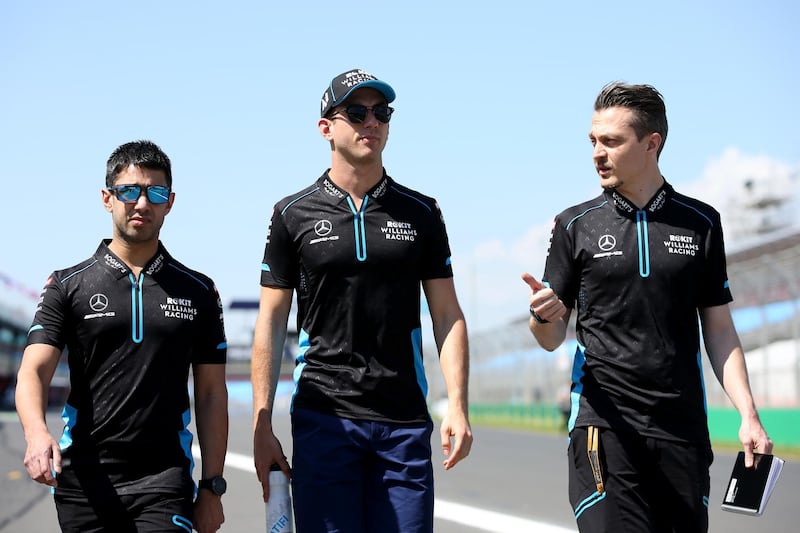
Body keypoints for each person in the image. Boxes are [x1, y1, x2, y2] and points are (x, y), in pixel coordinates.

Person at [521, 82, 773, 532]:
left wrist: (748, 414)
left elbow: (718, 329)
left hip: (683, 431)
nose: (597, 152)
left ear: (651, 143)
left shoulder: (701, 223)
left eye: (612, 141)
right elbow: (550, 338)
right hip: (603, 426)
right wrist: (543, 315)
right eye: (593, 141)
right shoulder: (573, 225)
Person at [251, 68, 473, 533]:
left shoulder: (422, 212)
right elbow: (271, 322)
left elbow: (447, 313)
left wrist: (458, 404)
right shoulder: (291, 214)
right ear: (326, 128)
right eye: (357, 112)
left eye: (381, 113)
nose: (371, 122)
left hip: (404, 420)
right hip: (324, 416)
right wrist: (262, 422)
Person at [15, 140, 229, 533]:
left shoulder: (199, 291)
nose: (142, 203)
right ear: (107, 198)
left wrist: (213, 488)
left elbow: (212, 393)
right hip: (84, 480)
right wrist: (35, 433)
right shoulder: (67, 284)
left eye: (155, 192)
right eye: (129, 190)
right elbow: (33, 371)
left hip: (165, 480)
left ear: (170, 201)